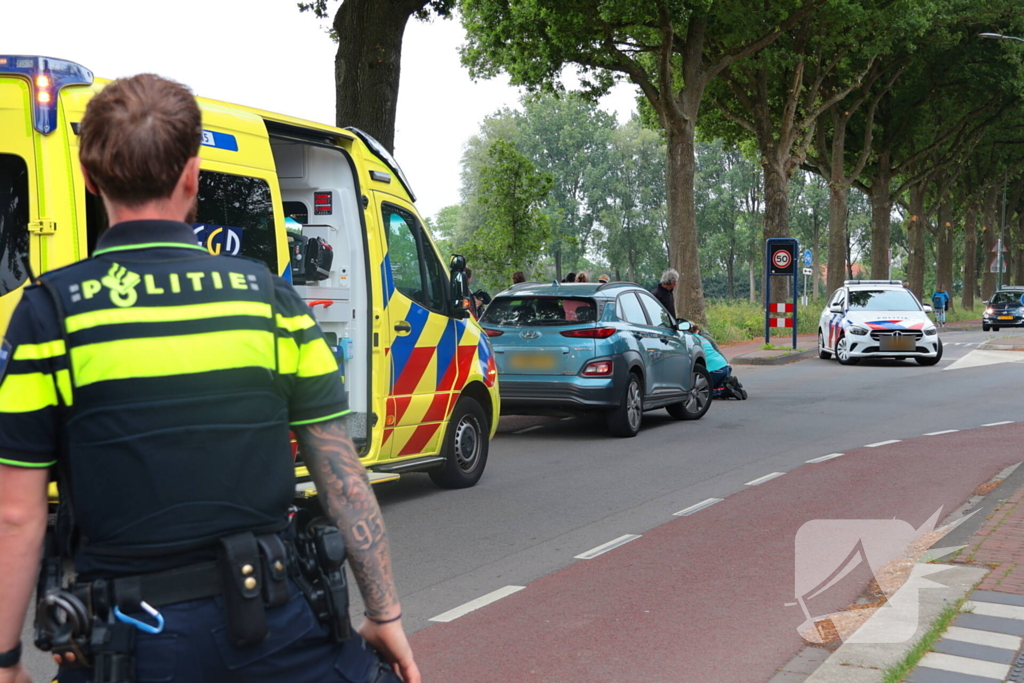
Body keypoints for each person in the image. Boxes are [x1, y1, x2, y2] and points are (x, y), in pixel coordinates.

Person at [0, 74, 418, 683]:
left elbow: (17, 515)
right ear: (192, 177)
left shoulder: (48, 314)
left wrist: (7, 660)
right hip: (277, 629)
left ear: (90, 181)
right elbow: (343, 480)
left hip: (128, 645)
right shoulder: (272, 304)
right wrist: (385, 612)